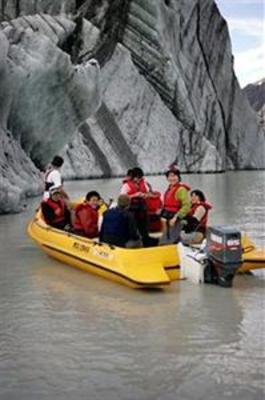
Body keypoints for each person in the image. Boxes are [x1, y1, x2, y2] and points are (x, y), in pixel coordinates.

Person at [120, 167, 157, 246]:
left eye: (140, 178)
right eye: (137, 178)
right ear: (133, 177)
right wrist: (134, 195)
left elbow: (150, 194)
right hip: (131, 210)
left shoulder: (145, 184)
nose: (139, 180)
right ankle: (133, 243)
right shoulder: (126, 185)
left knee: (144, 228)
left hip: (142, 209)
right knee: (132, 228)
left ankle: (146, 242)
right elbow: (122, 198)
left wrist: (145, 195)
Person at [160, 164, 191, 244]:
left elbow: (187, 206)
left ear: (178, 177)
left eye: (174, 176)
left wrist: (175, 217)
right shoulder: (170, 188)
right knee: (168, 238)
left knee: (170, 240)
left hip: (176, 218)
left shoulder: (181, 189)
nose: (172, 178)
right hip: (168, 217)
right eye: (170, 176)